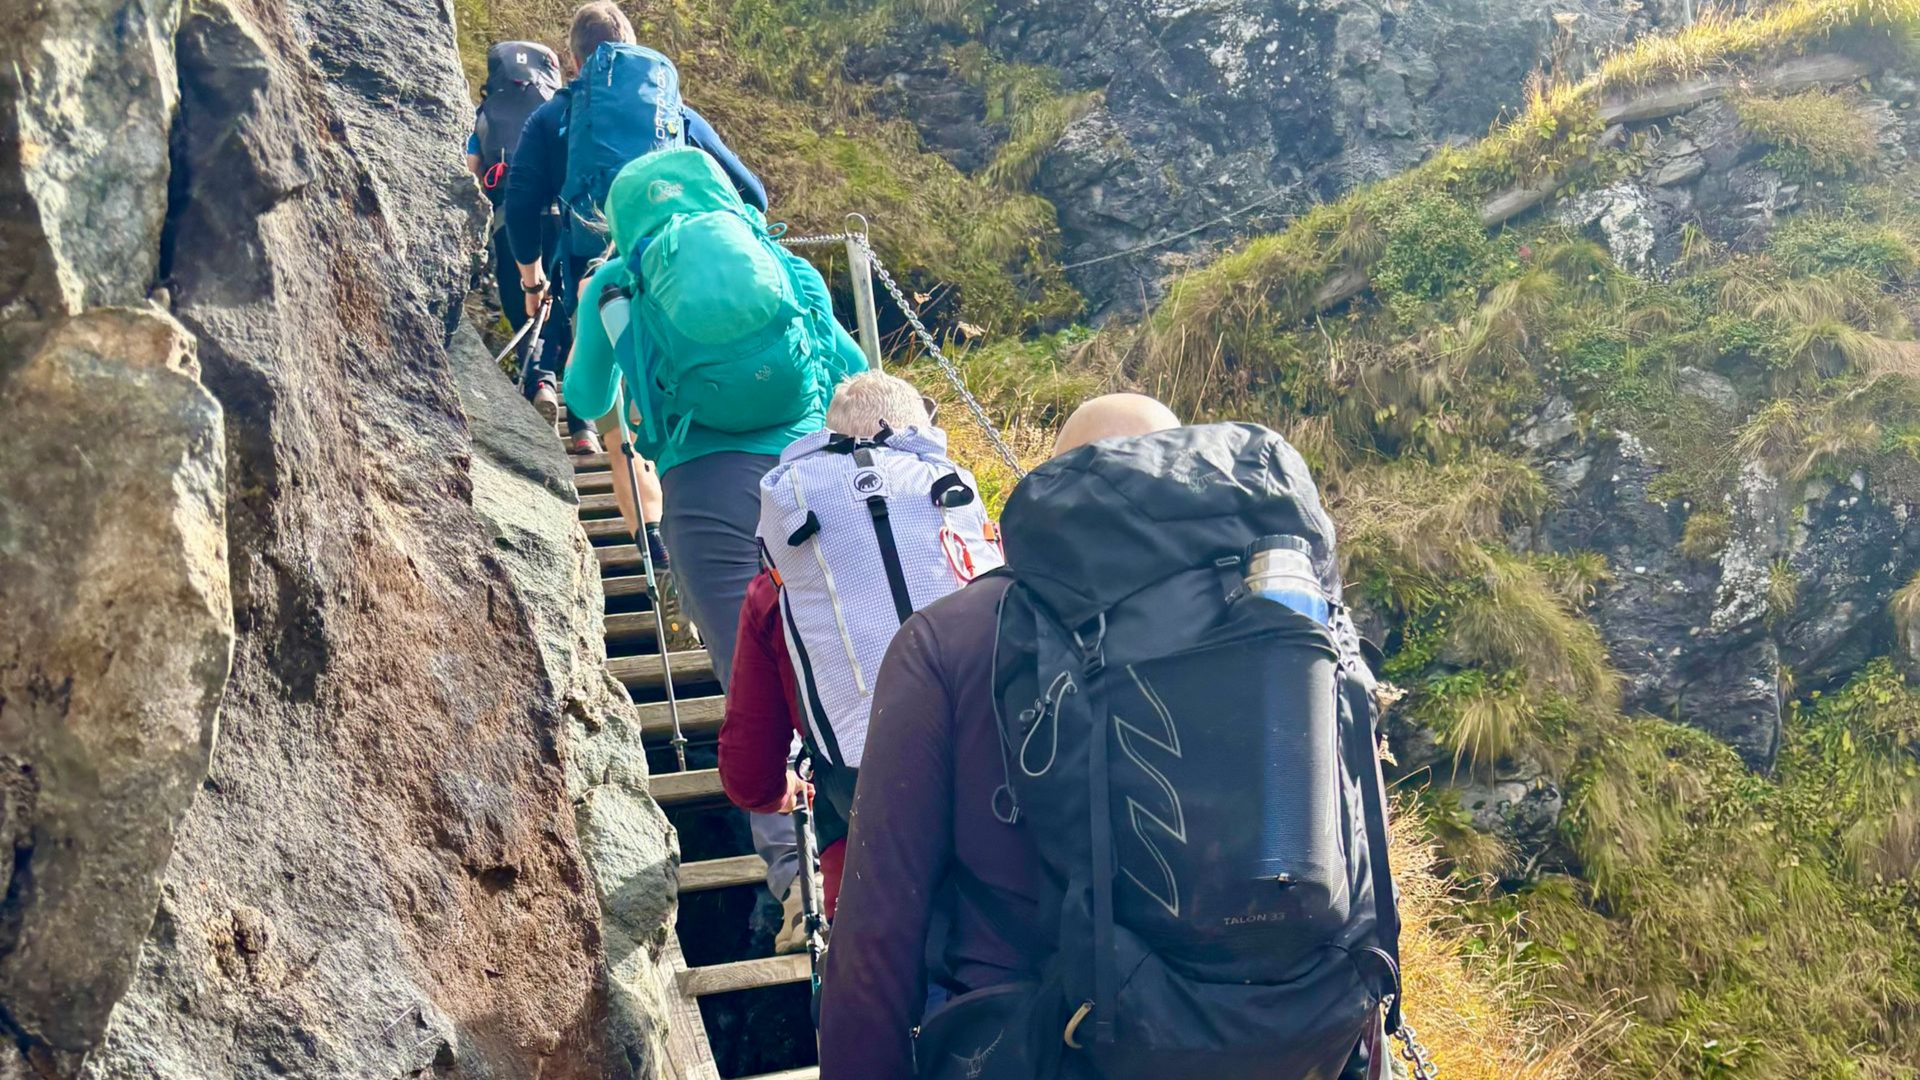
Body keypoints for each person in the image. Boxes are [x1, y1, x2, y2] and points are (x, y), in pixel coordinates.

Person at [816, 395, 1181, 1080]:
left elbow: (877, 936)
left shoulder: (947, 641)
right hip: (1247, 1040)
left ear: (1049, 492)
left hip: (1025, 1043)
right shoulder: (1277, 636)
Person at [565, 145, 869, 940]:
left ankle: (801, 888)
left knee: (753, 677)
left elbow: (583, 393)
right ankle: (879, 841)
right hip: (814, 475)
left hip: (701, 489)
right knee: (843, 651)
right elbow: (854, 370)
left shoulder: (618, 281)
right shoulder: (776, 261)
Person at [718, 374, 943, 929]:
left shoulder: (779, 588)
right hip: (1009, 816)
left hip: (872, 852)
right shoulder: (973, 535)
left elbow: (749, 771)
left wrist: (783, 792)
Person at [502, 2, 764, 437]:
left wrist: (531, 282)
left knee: (617, 426)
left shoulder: (552, 116)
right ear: (634, 50)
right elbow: (753, 195)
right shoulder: (674, 116)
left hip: (600, 284)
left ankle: (620, 461)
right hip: (683, 278)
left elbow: (520, 203)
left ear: (574, 60)